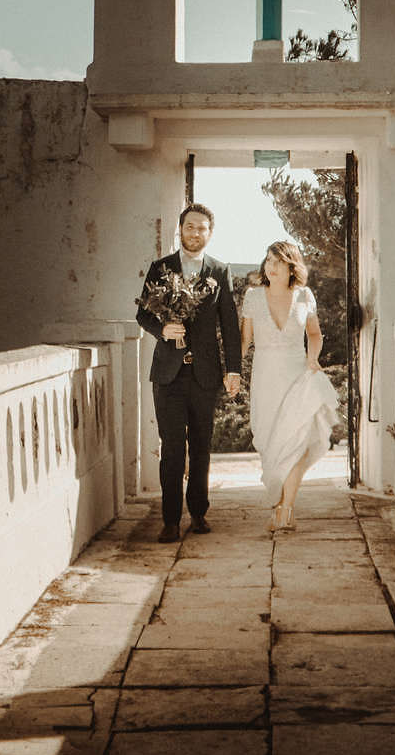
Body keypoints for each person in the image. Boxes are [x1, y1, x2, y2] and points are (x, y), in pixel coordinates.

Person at [136, 203, 242, 542]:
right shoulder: (160, 268)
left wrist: (234, 369)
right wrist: (162, 329)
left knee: (200, 446)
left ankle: (198, 513)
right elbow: (143, 314)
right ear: (180, 229)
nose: (195, 233)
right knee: (171, 448)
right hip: (168, 374)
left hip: (205, 374)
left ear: (210, 233)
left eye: (202, 228)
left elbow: (229, 324)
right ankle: (170, 519)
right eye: (190, 226)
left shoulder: (220, 271)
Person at [241, 239, 338, 532]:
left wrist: (312, 358)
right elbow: (244, 342)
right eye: (269, 261)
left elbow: (315, 334)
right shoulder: (253, 297)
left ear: (291, 267)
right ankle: (279, 504)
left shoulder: (304, 296)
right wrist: (230, 373)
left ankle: (286, 509)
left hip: (297, 376)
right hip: (265, 379)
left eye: (279, 262)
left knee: (296, 443)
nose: (271, 267)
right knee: (270, 443)